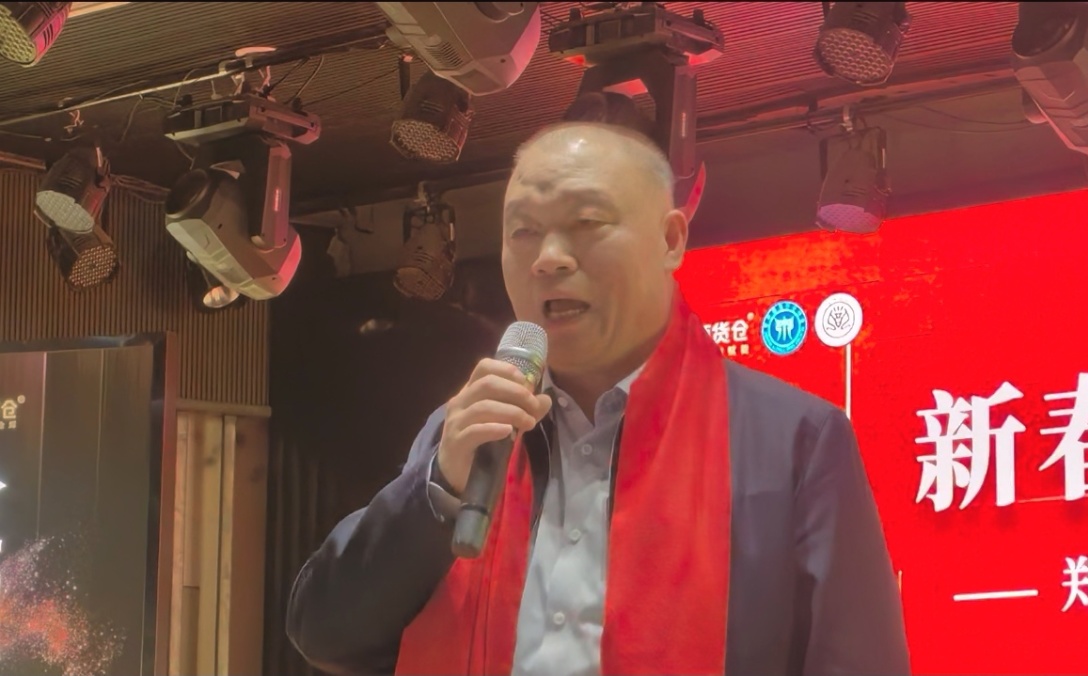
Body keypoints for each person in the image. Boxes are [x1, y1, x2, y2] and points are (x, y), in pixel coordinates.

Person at [286, 121, 910, 676]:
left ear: (670, 239)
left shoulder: (794, 440)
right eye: (523, 231)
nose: (548, 259)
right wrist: (439, 491)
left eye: (586, 224)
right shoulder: (468, 432)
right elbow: (325, 635)